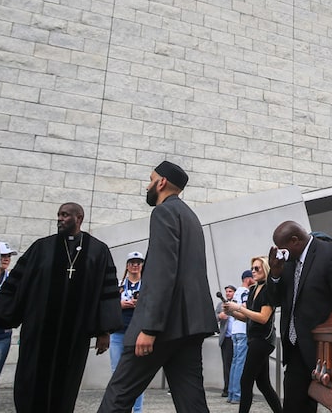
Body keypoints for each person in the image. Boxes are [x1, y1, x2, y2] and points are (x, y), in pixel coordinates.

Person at [98, 161, 218, 413]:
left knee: (117, 396)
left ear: (161, 182)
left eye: (150, 179)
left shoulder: (163, 213)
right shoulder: (190, 216)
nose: (147, 185)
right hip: (189, 327)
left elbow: (162, 272)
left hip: (162, 327)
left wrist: (149, 327)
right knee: (192, 402)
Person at [0, 202, 121, 413]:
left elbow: (105, 292)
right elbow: (19, 283)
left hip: (74, 336)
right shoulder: (41, 247)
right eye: (59, 215)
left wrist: (104, 331)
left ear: (79, 218)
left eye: (65, 215)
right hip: (38, 332)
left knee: (65, 388)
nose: (60, 219)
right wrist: (3, 313)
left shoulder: (98, 251)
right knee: (30, 384)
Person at [268, 220, 332, 413]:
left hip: (323, 350)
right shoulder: (289, 263)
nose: (281, 254)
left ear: (295, 241)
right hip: (295, 350)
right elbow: (274, 300)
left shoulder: (331, 255)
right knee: (293, 406)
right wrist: (275, 274)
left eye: (283, 249)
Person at [223, 256, 283, 413]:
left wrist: (239, 308)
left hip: (263, 340)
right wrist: (232, 312)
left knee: (245, 380)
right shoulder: (252, 290)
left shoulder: (269, 288)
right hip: (254, 339)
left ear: (266, 269)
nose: (254, 271)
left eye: (257, 268)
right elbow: (246, 318)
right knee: (263, 384)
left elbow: (263, 318)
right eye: (252, 268)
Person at [109, 251, 146, 413]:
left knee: (137, 375)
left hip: (137, 334)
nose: (135, 265)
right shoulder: (118, 284)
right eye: (132, 262)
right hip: (118, 333)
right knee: (117, 374)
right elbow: (108, 305)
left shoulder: (146, 285)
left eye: (138, 262)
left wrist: (141, 304)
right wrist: (120, 304)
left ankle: (137, 410)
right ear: (127, 265)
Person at [0, 241, 18, 404]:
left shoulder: (11, 280)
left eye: (8, 255)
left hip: (2, 333)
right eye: (3, 255)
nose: (6, 258)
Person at [228, 269, 252, 403]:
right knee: (240, 363)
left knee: (235, 362)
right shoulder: (246, 292)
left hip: (235, 330)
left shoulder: (236, 292)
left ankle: (232, 393)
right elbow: (245, 310)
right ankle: (237, 395)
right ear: (248, 279)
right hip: (243, 330)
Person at [216, 284, 236, 397]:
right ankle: (227, 388)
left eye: (230, 291)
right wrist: (220, 316)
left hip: (237, 338)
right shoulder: (221, 304)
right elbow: (213, 317)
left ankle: (236, 388)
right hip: (227, 339)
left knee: (237, 364)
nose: (228, 293)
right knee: (227, 365)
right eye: (227, 292)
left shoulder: (237, 303)